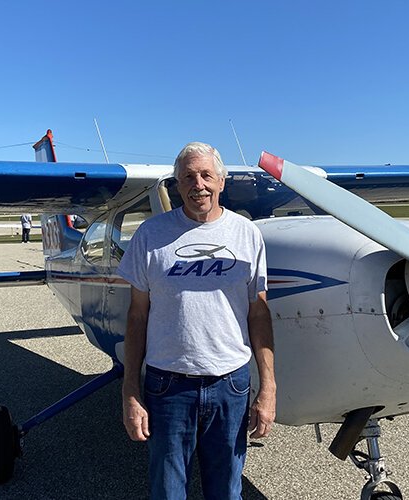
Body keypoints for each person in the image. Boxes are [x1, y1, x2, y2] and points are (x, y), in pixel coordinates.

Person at [117, 142, 276, 499]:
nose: (198, 185)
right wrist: (130, 390)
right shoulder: (150, 235)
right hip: (167, 385)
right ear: (177, 184)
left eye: (206, 175)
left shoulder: (247, 234)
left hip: (230, 385)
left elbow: (259, 312)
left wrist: (268, 387)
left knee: (226, 491)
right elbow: (137, 315)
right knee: (168, 491)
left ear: (221, 181)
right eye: (188, 177)